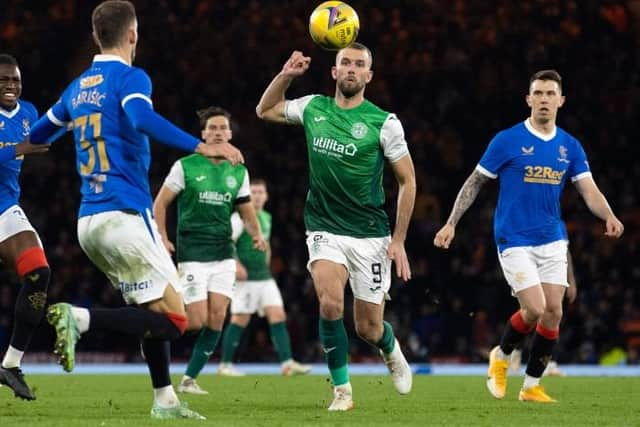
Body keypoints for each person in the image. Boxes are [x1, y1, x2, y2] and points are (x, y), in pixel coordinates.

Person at [29, 0, 242, 419]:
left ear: (96, 36)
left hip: (88, 222)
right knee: (179, 321)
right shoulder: (130, 77)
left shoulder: (76, 88)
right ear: (132, 35)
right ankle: (81, 319)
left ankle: (165, 400)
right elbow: (141, 118)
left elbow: (38, 136)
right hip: (125, 214)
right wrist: (203, 146)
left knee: (152, 311)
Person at [434, 70, 624, 402]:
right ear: (529, 99)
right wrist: (451, 222)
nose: (545, 99)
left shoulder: (570, 146)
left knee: (554, 311)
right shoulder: (506, 140)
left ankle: (531, 385)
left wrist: (608, 214)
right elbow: (474, 182)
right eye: (539, 93)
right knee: (534, 308)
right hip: (513, 237)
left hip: (552, 238)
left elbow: (588, 190)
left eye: (551, 94)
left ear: (561, 101)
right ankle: (501, 356)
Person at [256, 44, 416, 411]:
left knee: (368, 329)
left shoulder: (384, 122)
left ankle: (390, 348)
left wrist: (399, 238)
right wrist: (286, 75)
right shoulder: (314, 107)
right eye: (345, 62)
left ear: (369, 77)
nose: (352, 69)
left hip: (370, 234)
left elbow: (408, 181)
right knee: (330, 304)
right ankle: (342, 391)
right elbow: (264, 110)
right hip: (324, 226)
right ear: (333, 71)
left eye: (360, 65)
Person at [153, 106, 266, 395]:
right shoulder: (185, 166)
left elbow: (246, 211)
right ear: (202, 134)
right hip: (192, 253)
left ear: (230, 134)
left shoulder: (238, 170)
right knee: (195, 321)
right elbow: (160, 204)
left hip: (223, 253)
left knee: (217, 318)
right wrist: (162, 237)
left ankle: (189, 380)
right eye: (212, 128)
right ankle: (151, 333)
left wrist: (256, 235)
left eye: (222, 128)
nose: (217, 133)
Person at [218, 178, 311, 377]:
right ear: (247, 196)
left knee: (278, 315)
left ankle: (287, 364)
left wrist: (267, 262)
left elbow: (265, 243)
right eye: (254, 192)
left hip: (264, 277)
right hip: (245, 278)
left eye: (261, 192)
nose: (258, 196)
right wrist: (236, 265)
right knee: (239, 319)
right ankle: (225, 364)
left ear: (266, 196)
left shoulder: (266, 217)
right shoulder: (239, 217)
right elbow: (225, 242)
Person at [0, 54, 51, 401]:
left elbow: (47, 133)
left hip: (5, 208)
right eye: (4, 80)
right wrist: (20, 148)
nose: (11, 86)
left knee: (38, 272)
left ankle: (10, 364)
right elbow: (23, 147)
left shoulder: (28, 113)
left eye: (15, 80)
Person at [510, 248, 577, 376]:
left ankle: (548, 361)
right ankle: (515, 350)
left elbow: (564, 249)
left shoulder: (556, 233)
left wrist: (571, 280)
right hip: (528, 269)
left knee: (553, 316)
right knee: (532, 312)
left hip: (552, 271)